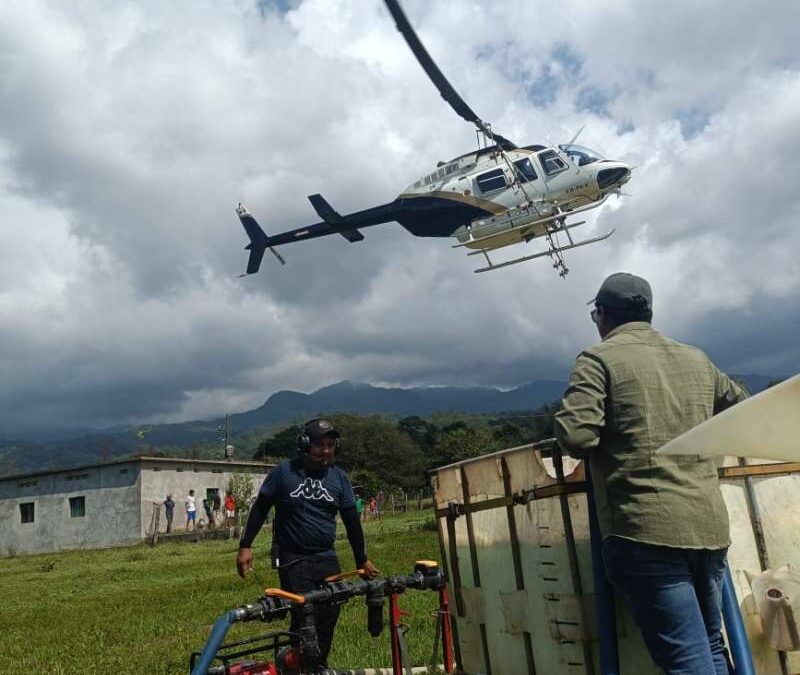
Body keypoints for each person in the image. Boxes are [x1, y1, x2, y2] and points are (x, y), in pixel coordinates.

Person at [554, 272, 748, 675]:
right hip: (709, 528)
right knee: (711, 645)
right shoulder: (696, 358)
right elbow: (741, 409)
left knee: (686, 659)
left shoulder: (598, 359)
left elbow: (575, 436)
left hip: (644, 531)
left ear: (603, 316)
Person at [236, 418, 379, 669]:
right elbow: (260, 509)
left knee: (331, 608)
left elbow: (352, 523)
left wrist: (362, 560)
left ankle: (314, 664)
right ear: (304, 444)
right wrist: (245, 546)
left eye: (330, 444)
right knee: (305, 611)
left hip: (326, 556)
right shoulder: (284, 472)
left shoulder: (339, 478)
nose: (325, 450)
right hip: (292, 556)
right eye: (319, 444)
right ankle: (296, 663)